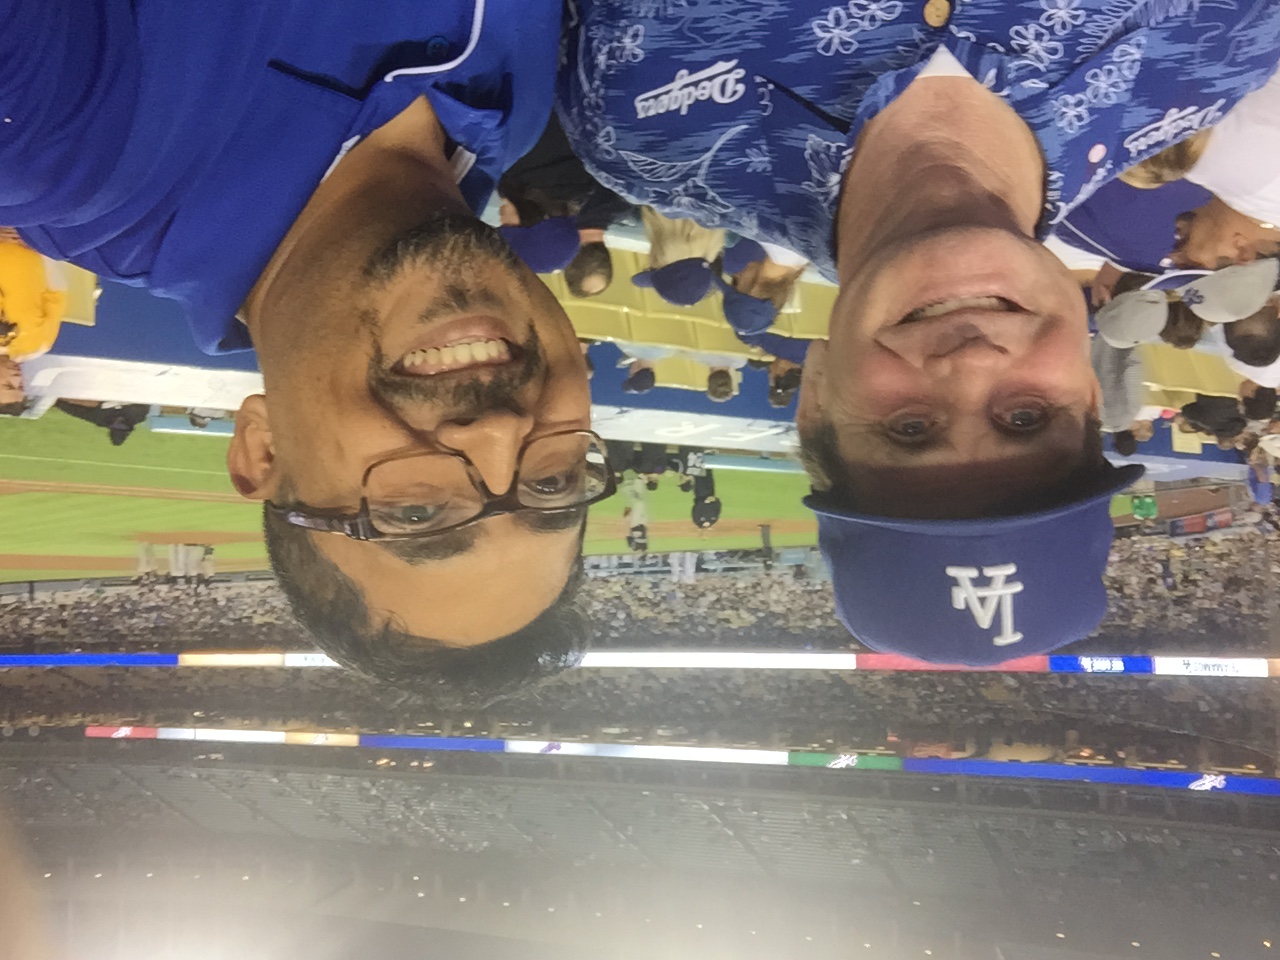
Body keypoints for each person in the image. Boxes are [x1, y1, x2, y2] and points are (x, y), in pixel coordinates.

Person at [558, 1, 1280, 664]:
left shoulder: (648, 127)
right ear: (1090, 390)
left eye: (909, 429)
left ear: (815, 401)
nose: (970, 364)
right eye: (1026, 419)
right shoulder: (1217, 52)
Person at [0, 1, 611, 703]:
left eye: (415, 514)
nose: (500, 436)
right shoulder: (513, 112)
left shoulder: (53, 132)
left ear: (264, 451)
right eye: (554, 485)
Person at [0, 227, 66, 362]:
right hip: (33, 233)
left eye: (9, 384)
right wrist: (43, 247)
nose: (18, 378)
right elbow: (57, 291)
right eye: (19, 384)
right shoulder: (37, 346)